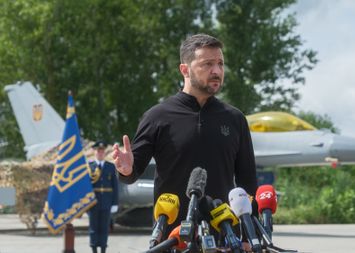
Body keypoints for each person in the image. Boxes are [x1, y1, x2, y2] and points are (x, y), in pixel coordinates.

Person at [112, 34, 257, 234]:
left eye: (220, 64)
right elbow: (132, 172)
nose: (217, 71)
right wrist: (127, 170)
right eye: (207, 64)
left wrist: (251, 236)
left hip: (225, 236)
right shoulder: (157, 117)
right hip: (172, 238)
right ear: (184, 69)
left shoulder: (235, 118)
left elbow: (248, 183)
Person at [88, 141, 119, 253]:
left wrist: (115, 203)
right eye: (98, 151)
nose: (100, 153)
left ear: (104, 153)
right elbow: (86, 186)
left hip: (106, 201)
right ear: (94, 152)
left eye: (102, 151)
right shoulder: (90, 167)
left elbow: (115, 186)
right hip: (93, 202)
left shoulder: (110, 167)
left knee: (104, 227)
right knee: (93, 227)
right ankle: (94, 249)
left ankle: (103, 249)